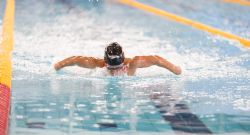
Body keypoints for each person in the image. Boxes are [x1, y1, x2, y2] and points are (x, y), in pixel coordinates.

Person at [54, 42, 182, 76]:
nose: (115, 71)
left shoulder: (133, 63)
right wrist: (59, 64)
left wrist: (175, 69)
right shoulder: (96, 63)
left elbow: (156, 59)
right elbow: (75, 59)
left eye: (118, 67)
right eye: (111, 68)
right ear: (105, 62)